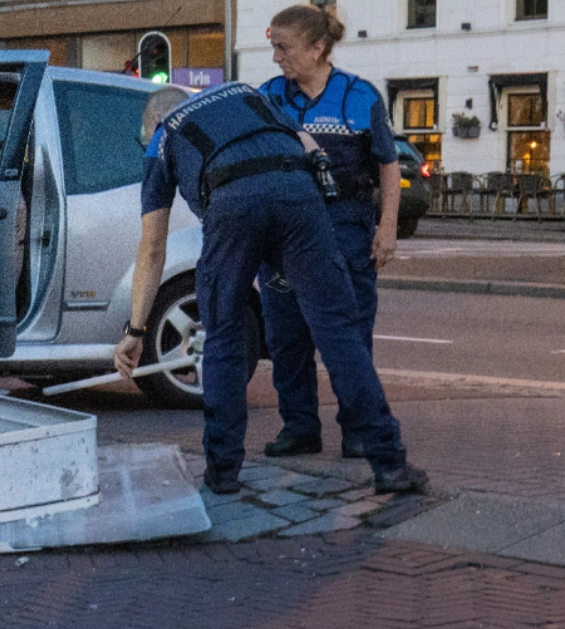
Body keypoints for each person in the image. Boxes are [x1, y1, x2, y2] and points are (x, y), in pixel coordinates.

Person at [113, 83, 427, 496]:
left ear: (154, 118)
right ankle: (389, 463)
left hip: (230, 203)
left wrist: (136, 332)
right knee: (338, 330)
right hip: (298, 193)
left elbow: (153, 247)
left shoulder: (163, 134)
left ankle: (222, 472)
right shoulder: (247, 94)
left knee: (224, 334)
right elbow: (309, 142)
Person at [258, 5, 399, 460]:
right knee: (286, 332)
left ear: (318, 48)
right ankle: (299, 426)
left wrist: (388, 227)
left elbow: (388, 163)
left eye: (284, 47)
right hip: (282, 230)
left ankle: (358, 428)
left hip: (345, 226)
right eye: (273, 46)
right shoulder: (268, 96)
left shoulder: (360, 97)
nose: (276, 57)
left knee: (350, 332)